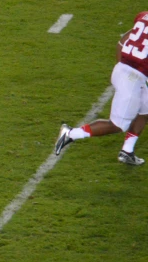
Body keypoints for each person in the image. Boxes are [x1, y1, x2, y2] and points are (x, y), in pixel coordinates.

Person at [55, 11, 148, 165]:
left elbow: (122, 42)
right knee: (117, 125)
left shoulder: (143, 15)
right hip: (133, 78)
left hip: (124, 70)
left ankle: (127, 151)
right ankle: (70, 134)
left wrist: (123, 68)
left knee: (145, 111)